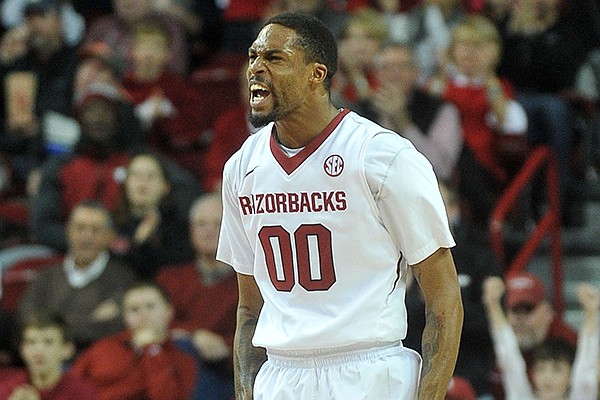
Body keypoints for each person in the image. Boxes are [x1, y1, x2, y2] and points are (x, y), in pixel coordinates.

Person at [216, 11, 463, 400]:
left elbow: (444, 297)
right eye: (252, 57)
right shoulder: (241, 168)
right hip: (280, 376)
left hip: (370, 371)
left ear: (317, 74)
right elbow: (249, 308)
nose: (256, 69)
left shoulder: (382, 156)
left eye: (274, 58)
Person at [426, 15, 528, 230]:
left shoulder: (497, 87)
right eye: (463, 45)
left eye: (478, 46)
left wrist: (489, 78)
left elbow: (507, 125)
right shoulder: (439, 85)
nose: (469, 52)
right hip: (443, 165)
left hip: (484, 169)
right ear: (452, 49)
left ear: (493, 50)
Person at [18, 201, 138, 353]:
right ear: (68, 230)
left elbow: (114, 328)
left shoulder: (125, 280)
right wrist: (88, 320)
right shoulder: (46, 276)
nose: (87, 236)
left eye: (96, 230)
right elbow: (26, 319)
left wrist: (54, 327)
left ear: (110, 236)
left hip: (93, 360)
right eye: (80, 228)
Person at [157, 192, 238, 399]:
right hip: (170, 369)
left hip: (226, 373)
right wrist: (195, 336)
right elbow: (153, 325)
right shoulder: (169, 279)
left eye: (217, 224)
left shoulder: (248, 283)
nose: (208, 231)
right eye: (201, 224)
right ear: (191, 231)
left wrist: (224, 349)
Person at [71, 281, 197, 400]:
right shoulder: (104, 347)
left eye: (150, 306)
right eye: (134, 309)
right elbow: (70, 386)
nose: (143, 315)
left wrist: (151, 349)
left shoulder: (182, 361)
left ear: (169, 311)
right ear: (125, 317)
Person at [483, 277, 600, 400]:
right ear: (532, 375)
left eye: (557, 370)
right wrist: (493, 306)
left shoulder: (581, 396)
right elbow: (509, 359)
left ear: (571, 375)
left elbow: (587, 370)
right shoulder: (521, 396)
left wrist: (591, 313)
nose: (547, 377)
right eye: (540, 369)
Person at [363, 42, 462, 184]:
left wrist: (404, 123)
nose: (394, 74)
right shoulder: (360, 111)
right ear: (376, 73)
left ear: (416, 71)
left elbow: (442, 168)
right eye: (386, 67)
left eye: (402, 66)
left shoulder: (442, 109)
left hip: (425, 190)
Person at [112, 152, 194, 278]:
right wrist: (138, 242)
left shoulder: (179, 228)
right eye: (136, 175)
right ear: (125, 183)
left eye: (151, 176)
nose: (142, 182)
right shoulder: (111, 224)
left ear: (166, 187)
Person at [0, 315, 98, 399]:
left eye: (48, 342)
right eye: (31, 342)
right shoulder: (7, 387)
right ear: (22, 349)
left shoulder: (82, 392)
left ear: (67, 349)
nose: (39, 351)